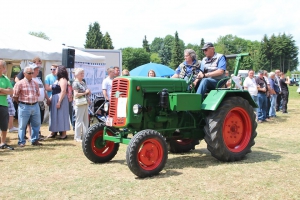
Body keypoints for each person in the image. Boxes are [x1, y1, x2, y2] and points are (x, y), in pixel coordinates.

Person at [13, 65, 42, 147]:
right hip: (24, 105)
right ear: (24, 73)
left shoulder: (35, 83)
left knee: (36, 124)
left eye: (32, 73)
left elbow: (38, 93)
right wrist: (21, 103)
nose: (31, 74)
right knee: (22, 125)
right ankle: (21, 141)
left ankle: (35, 139)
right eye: (29, 73)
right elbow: (15, 96)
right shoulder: (19, 83)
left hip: (35, 105)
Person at [48, 66, 70, 139]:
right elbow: (54, 91)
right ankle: (53, 132)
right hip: (55, 98)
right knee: (54, 115)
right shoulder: (57, 80)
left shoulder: (63, 79)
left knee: (62, 115)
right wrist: (50, 99)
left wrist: (59, 102)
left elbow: (63, 91)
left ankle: (63, 134)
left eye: (56, 69)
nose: (54, 70)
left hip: (61, 99)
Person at [73, 68, 91, 142]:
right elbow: (76, 94)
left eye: (83, 73)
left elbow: (87, 91)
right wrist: (85, 93)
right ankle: (77, 137)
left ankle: (85, 135)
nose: (82, 75)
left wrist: (88, 94)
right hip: (79, 103)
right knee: (79, 120)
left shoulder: (83, 82)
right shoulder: (75, 83)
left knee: (85, 120)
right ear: (77, 75)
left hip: (85, 102)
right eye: (81, 73)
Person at [32, 64, 50, 134]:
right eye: (37, 70)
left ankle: (38, 133)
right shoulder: (31, 80)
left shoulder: (39, 79)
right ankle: (33, 134)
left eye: (38, 70)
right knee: (34, 119)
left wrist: (47, 99)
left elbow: (43, 90)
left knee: (40, 119)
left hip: (41, 102)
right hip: (34, 102)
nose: (38, 71)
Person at [0, 60, 14, 150]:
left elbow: (11, 92)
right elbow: (7, 91)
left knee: (4, 125)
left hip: (3, 105)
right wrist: (5, 91)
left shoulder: (6, 79)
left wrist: (1, 89)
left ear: (4, 68)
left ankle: (3, 142)